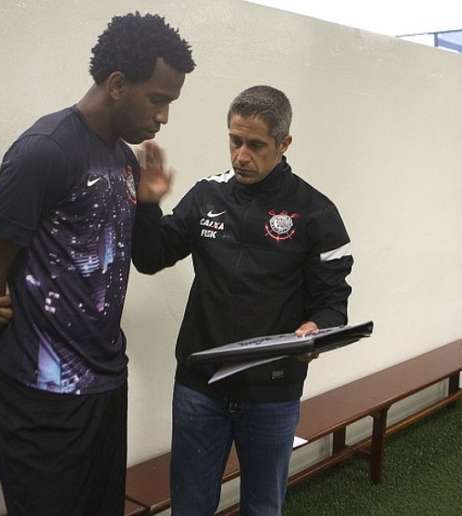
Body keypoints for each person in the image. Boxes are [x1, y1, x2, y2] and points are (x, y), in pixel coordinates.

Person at [0, 12, 195, 516]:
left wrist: (149, 201)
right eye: (158, 99)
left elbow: (143, 259)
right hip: (41, 397)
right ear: (116, 84)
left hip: (105, 383)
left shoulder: (124, 159)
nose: (164, 117)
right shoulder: (45, 150)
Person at [132, 85, 353, 515]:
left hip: (272, 393)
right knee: (191, 506)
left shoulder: (317, 212)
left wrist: (316, 331)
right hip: (200, 386)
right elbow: (150, 257)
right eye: (235, 140)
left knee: (262, 507)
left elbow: (332, 303)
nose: (241, 156)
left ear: (284, 144)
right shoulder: (206, 196)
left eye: (256, 145)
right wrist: (147, 205)